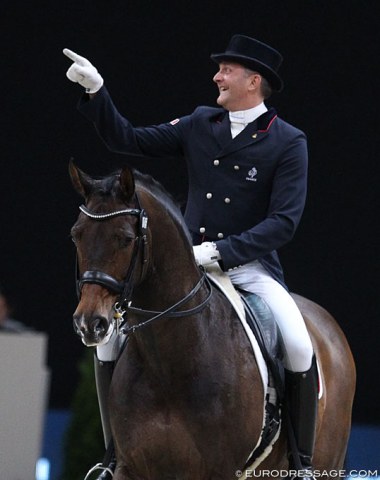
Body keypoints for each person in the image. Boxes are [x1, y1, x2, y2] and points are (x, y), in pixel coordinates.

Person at [63, 34, 318, 478]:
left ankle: (301, 463)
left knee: (298, 343)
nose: (217, 76)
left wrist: (222, 250)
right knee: (107, 346)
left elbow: (284, 222)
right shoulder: (202, 122)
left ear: (253, 80)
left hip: (248, 268)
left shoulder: (288, 141)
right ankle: (111, 458)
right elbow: (129, 139)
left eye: (227, 70)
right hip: (187, 266)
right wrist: (96, 92)